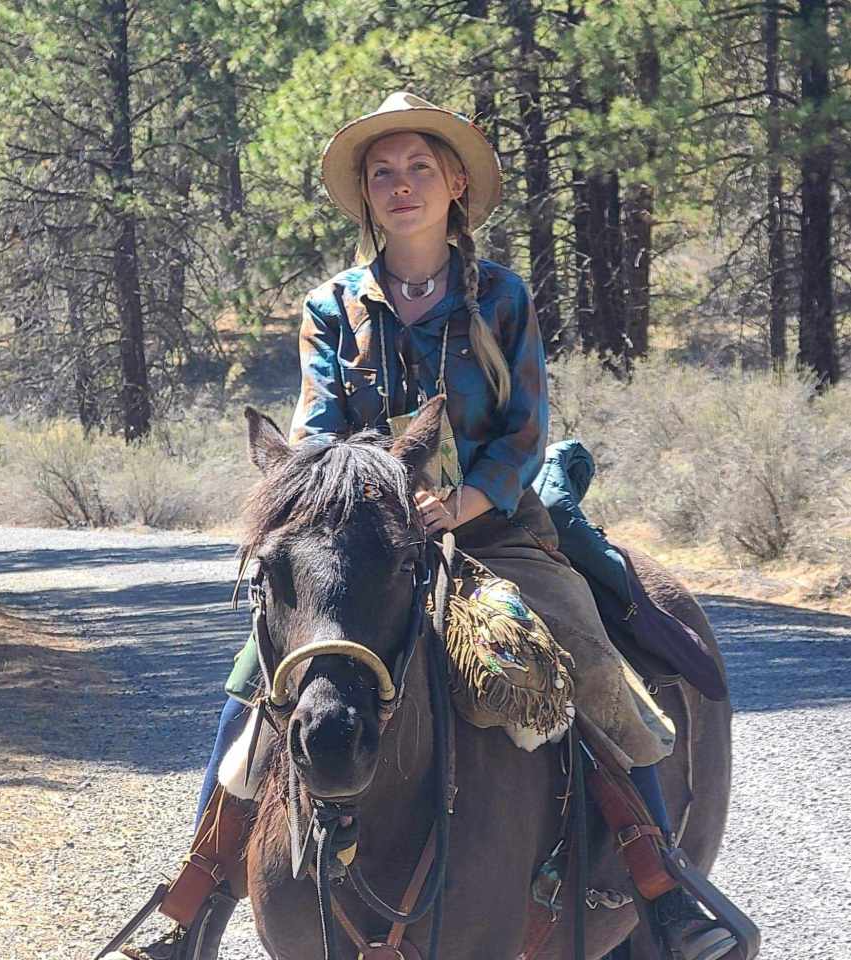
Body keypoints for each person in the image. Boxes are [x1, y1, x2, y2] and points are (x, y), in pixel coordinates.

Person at [124, 92, 736, 960]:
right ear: (366, 196)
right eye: (382, 173)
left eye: (418, 168)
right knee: (256, 688)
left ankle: (658, 880)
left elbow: (523, 433)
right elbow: (316, 427)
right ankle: (198, 900)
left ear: (454, 185)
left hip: (496, 532)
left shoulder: (502, 297)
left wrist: (461, 505)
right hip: (367, 535)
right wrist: (353, 494)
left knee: (591, 662)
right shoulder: (333, 306)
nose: (400, 185)